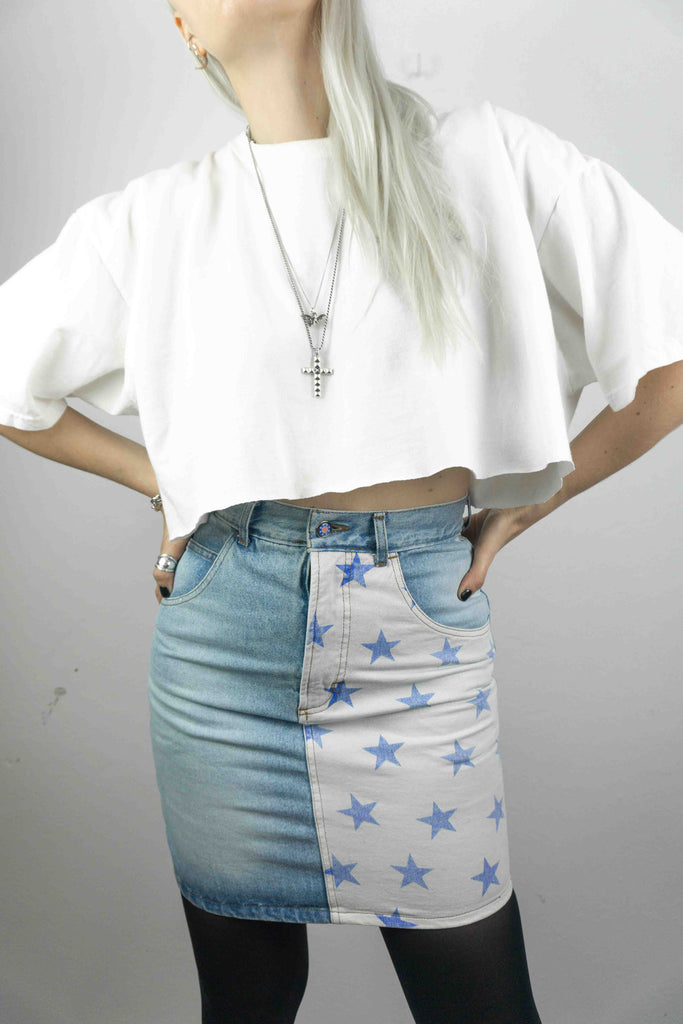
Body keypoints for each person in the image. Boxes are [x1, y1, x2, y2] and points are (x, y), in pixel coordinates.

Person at [2, 2, 683, 1022]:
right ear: (188, 34)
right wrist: (167, 480)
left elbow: (668, 359)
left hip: (418, 658)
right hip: (222, 654)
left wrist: (530, 503)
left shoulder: (488, 159)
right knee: (247, 1001)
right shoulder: (156, 217)